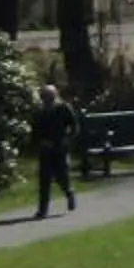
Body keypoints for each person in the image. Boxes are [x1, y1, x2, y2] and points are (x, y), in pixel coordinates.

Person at [31, 83, 81, 219]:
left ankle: (69, 193)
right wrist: (40, 141)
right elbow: (35, 131)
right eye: (44, 96)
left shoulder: (63, 108)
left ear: (55, 95)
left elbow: (74, 125)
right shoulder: (39, 112)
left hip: (60, 147)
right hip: (46, 149)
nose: (46, 98)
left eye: (49, 95)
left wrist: (68, 139)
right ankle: (43, 210)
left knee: (62, 176)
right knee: (44, 180)